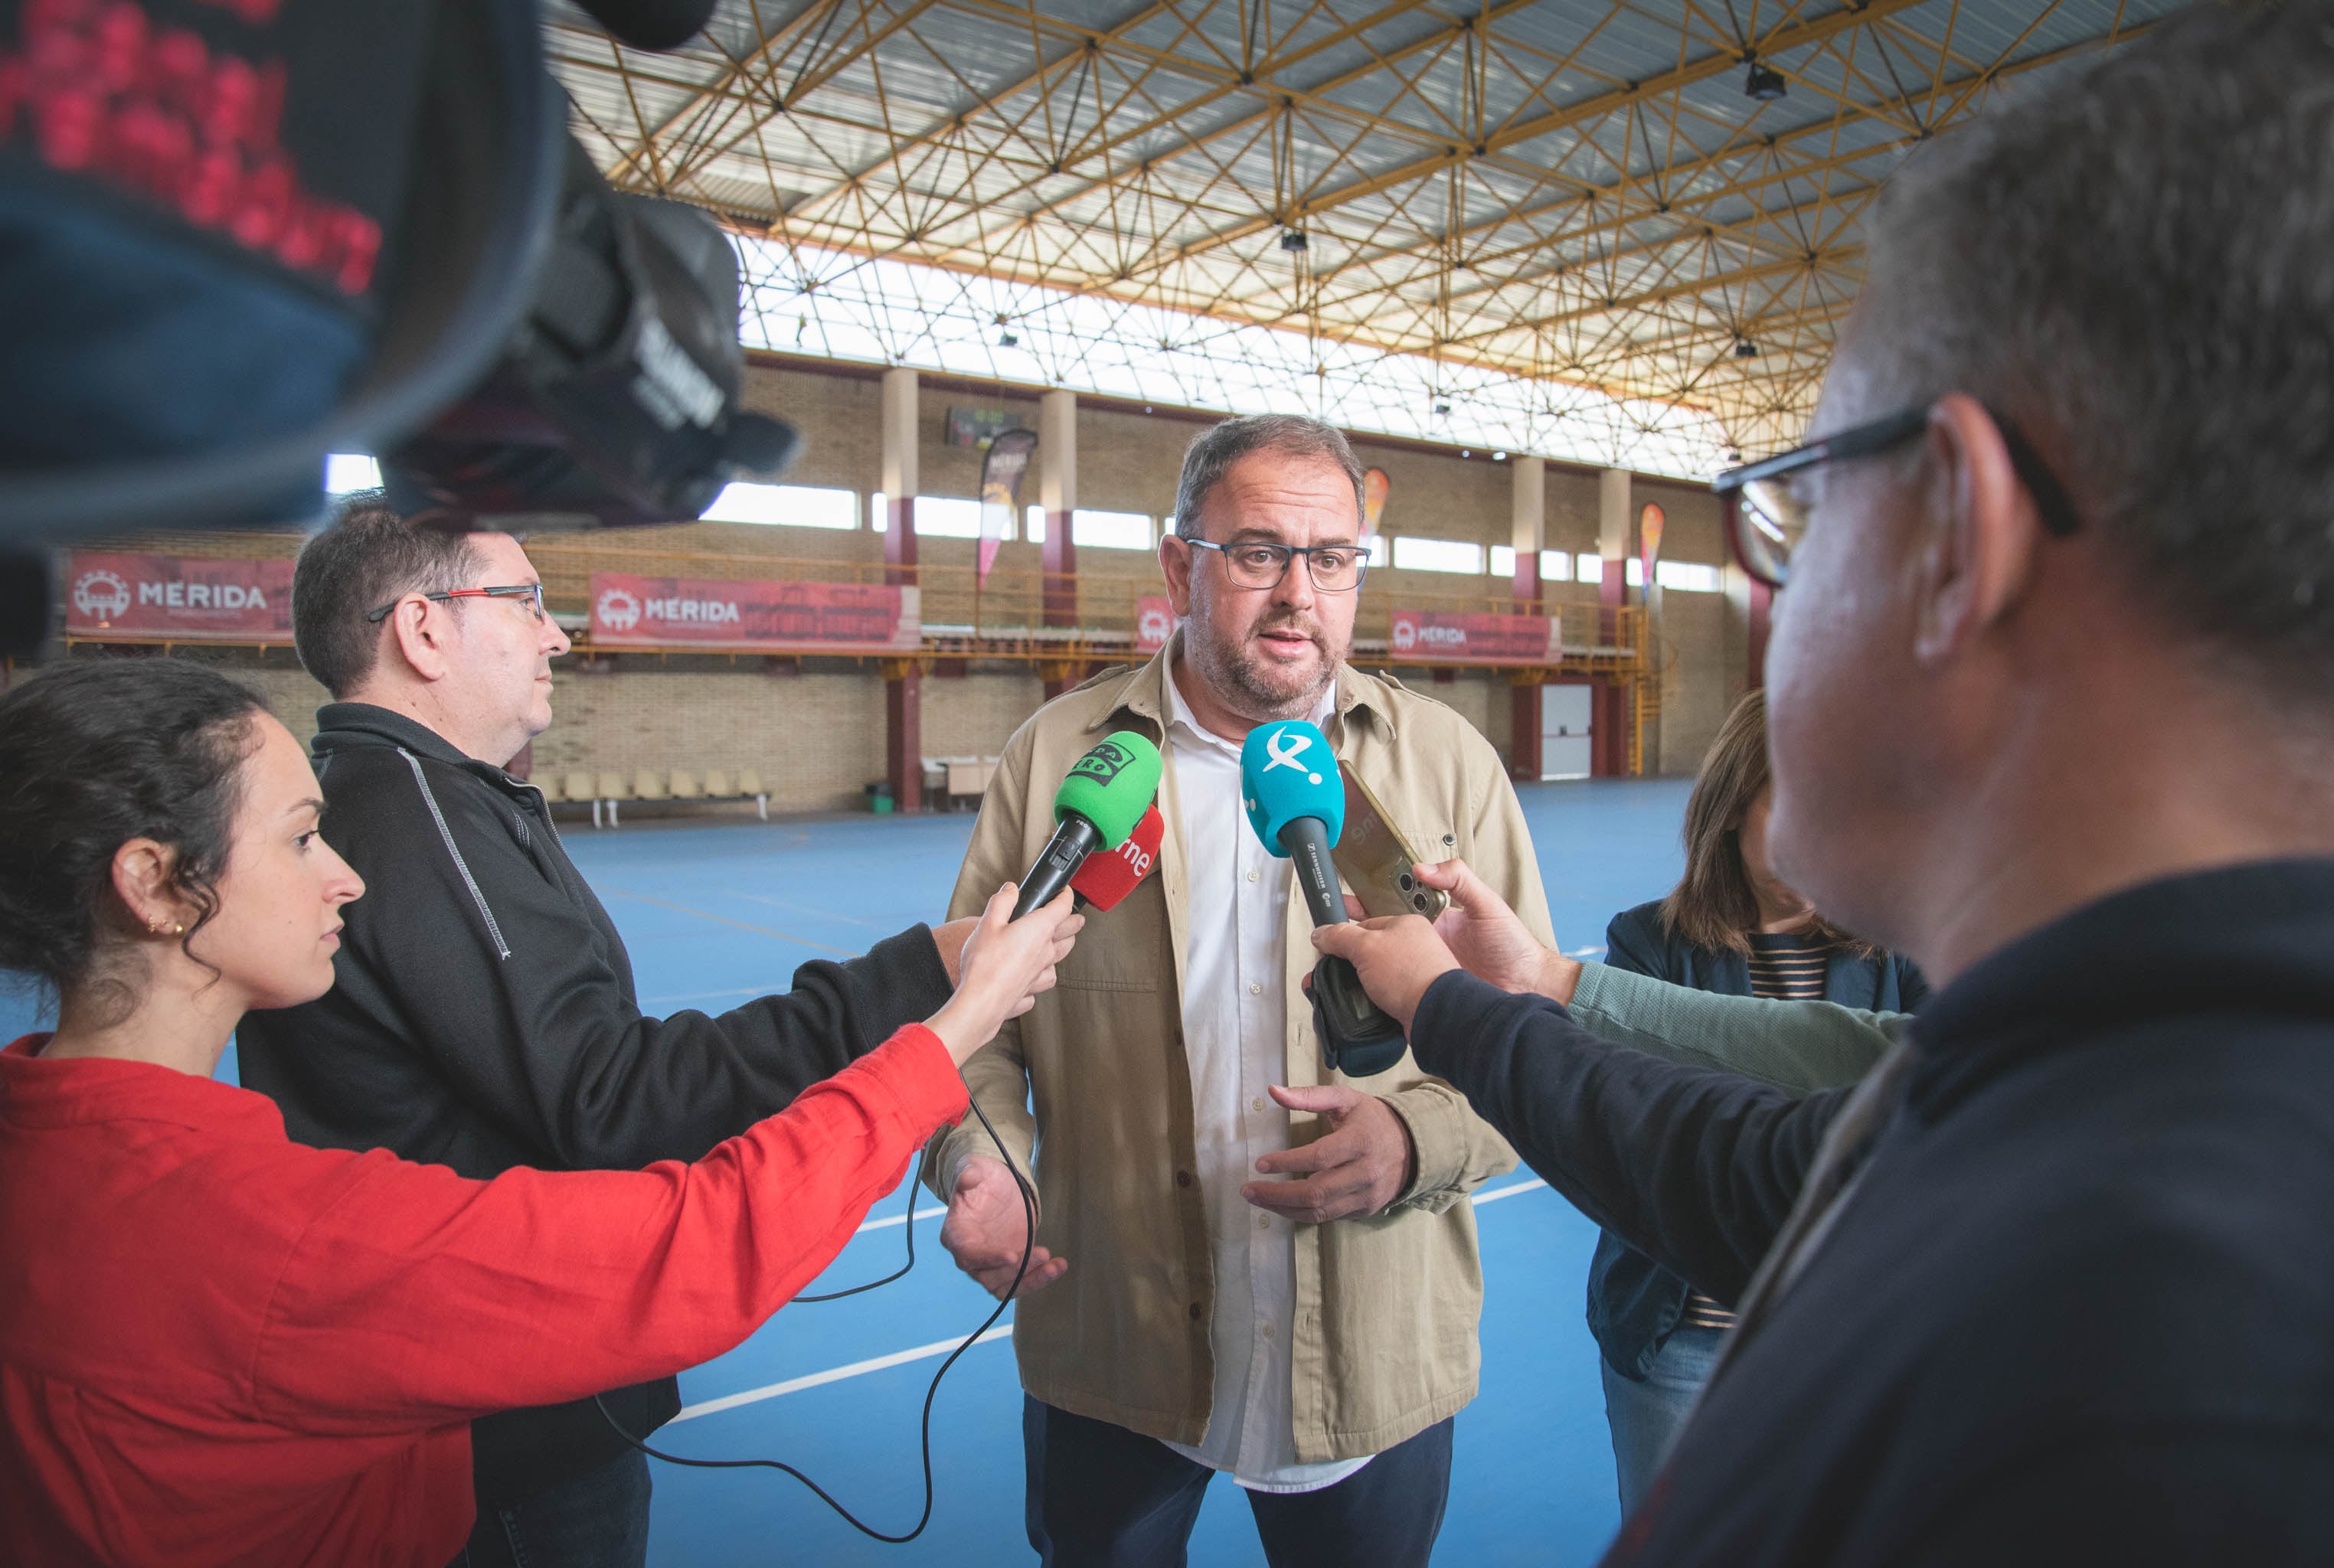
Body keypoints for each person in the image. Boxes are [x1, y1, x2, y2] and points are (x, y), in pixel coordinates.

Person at [1314, 7, 2334, 1560]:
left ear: (1951, 534)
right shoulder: (2091, 1081)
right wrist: (1511, 997)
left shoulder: (2127, 1391)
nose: (1779, 588)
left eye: (1794, 508)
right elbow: (1757, 1141)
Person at [0, 658, 1079, 1568]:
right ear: (153, 883)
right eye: (296, 841)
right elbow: (698, 1249)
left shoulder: (51, 1145)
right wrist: (959, 1020)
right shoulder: (255, 1237)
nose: (346, 880)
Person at [230, 498, 1057, 1563]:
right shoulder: (415, 815)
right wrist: (912, 981)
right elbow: (611, 1099)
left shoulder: (434, 800)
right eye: (525, 602)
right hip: (498, 1408)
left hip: (480, 1374)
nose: (557, 632)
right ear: (423, 630)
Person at [923, 414, 1553, 1566]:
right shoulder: (1060, 758)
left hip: (1370, 1353)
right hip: (1118, 1342)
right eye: (1259, 552)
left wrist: (1415, 1142)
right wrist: (982, 1159)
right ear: (1180, 567)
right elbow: (975, 1030)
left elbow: (1535, 1044)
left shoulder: (1447, 764)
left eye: (1333, 559)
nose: (1298, 594)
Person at [1589, 690, 1927, 1513]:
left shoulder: (1905, 952)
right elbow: (1635, 1129)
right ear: (1732, 807)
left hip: (1847, 1333)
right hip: (1684, 1338)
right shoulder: (1646, 943)